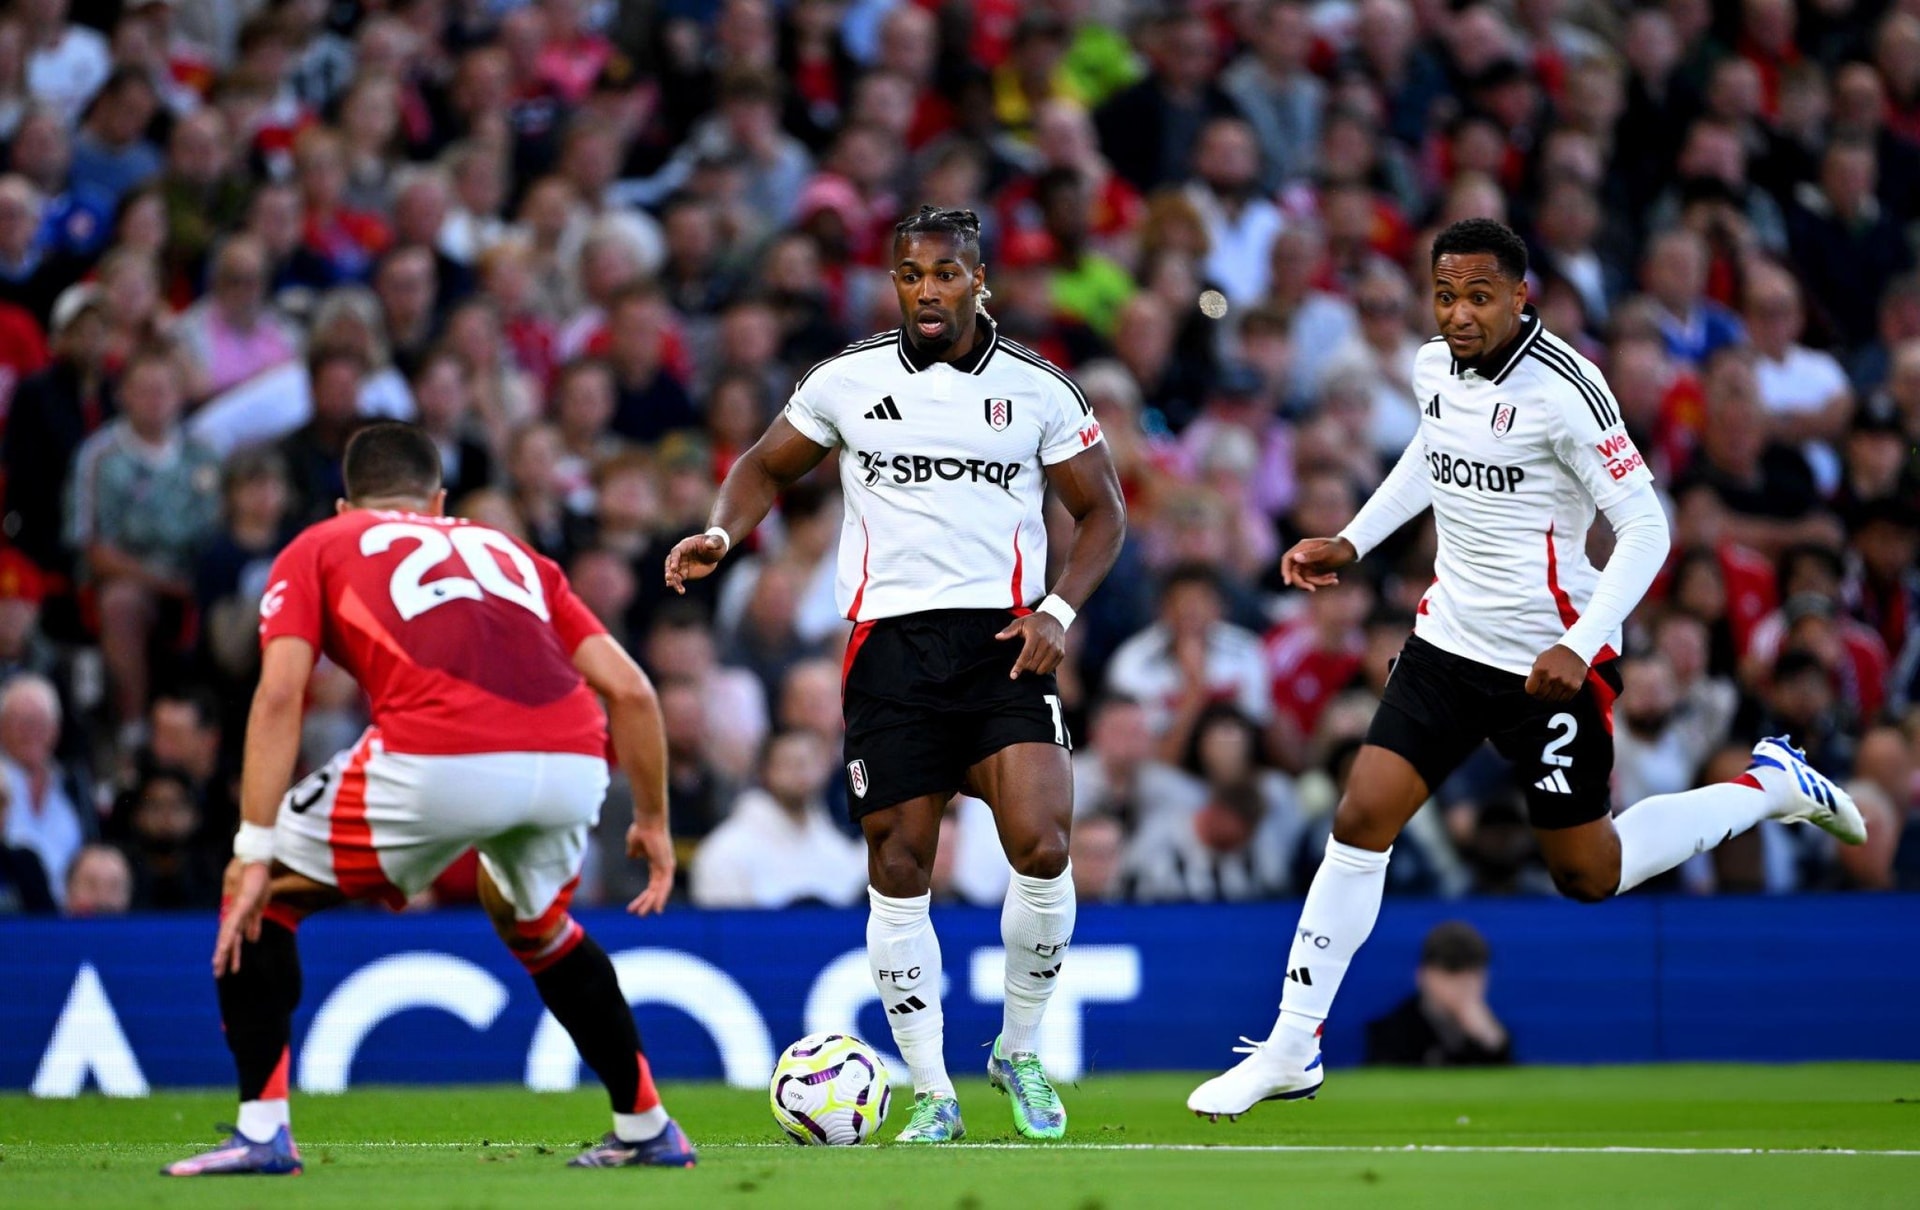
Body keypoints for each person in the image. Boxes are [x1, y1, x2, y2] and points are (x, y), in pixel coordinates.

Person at [1187, 219, 1865, 1120]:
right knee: (1359, 818)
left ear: (1519, 296)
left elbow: (1648, 529)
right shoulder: (1434, 368)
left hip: (1548, 662)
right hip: (1447, 641)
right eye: (1444, 295)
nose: (1457, 314)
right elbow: (1430, 456)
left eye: (1477, 296)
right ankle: (1291, 1043)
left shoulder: (1569, 393)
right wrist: (1353, 538)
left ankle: (1767, 785)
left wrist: (1579, 644)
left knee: (1588, 872)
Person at [664, 206, 1126, 1143]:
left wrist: (1059, 611)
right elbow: (763, 464)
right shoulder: (848, 379)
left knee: (1041, 843)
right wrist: (722, 531)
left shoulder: (1039, 389)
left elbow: (1104, 512)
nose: (927, 291)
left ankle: (1020, 1049)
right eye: (911, 275)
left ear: (978, 279)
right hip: (890, 651)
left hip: (1005, 644)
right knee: (900, 865)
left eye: (946, 274)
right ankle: (934, 1093)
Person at [163, 422, 694, 1176]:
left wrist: (252, 846)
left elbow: (280, 694)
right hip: (575, 756)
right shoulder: (514, 552)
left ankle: (260, 1132)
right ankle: (647, 1127)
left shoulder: (320, 544)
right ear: (440, 502)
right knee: (537, 925)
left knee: (264, 893)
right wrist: (651, 821)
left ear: (347, 505)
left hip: (443, 752)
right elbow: (633, 691)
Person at [689, 729, 865, 908]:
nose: (801, 771)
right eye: (790, 762)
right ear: (764, 771)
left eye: (809, 761)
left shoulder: (836, 848)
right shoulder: (725, 852)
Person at [1364, 920, 1511, 1067]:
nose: (1464, 985)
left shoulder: (1494, 1033)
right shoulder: (1392, 1033)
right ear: (1423, 976)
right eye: (1452, 973)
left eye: (1474, 974)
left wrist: (1492, 1042)